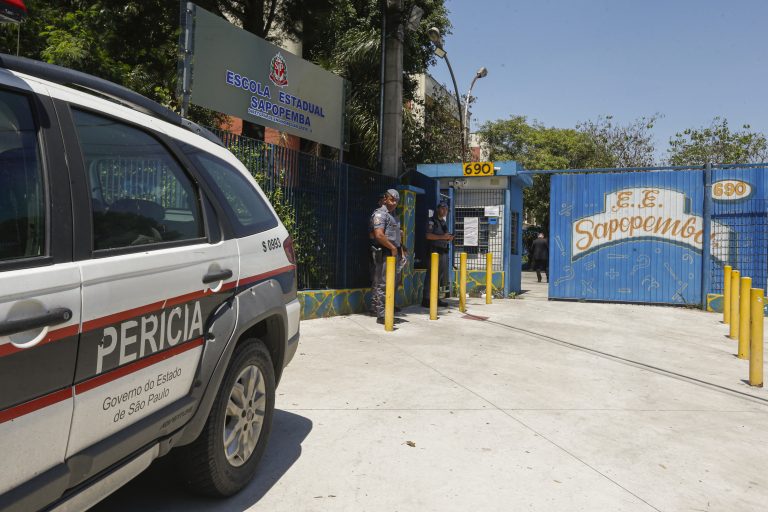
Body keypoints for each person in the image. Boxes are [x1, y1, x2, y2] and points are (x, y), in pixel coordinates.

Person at [370, 189, 403, 324]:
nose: (394, 203)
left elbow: (396, 237)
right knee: (383, 284)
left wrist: (400, 249)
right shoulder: (380, 214)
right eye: (391, 199)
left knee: (392, 283)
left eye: (396, 201)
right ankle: (381, 315)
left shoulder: (393, 215)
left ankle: (388, 310)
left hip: (393, 253)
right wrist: (392, 247)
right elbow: (378, 235)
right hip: (384, 253)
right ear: (385, 199)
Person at [421, 200, 454, 307]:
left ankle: (435, 298)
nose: (445, 211)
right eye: (443, 208)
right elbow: (428, 236)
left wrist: (449, 238)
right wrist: (442, 237)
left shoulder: (443, 223)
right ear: (438, 209)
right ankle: (426, 299)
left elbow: (444, 236)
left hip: (443, 252)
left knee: (439, 277)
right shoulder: (432, 221)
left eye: (446, 209)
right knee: (431, 275)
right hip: (433, 252)